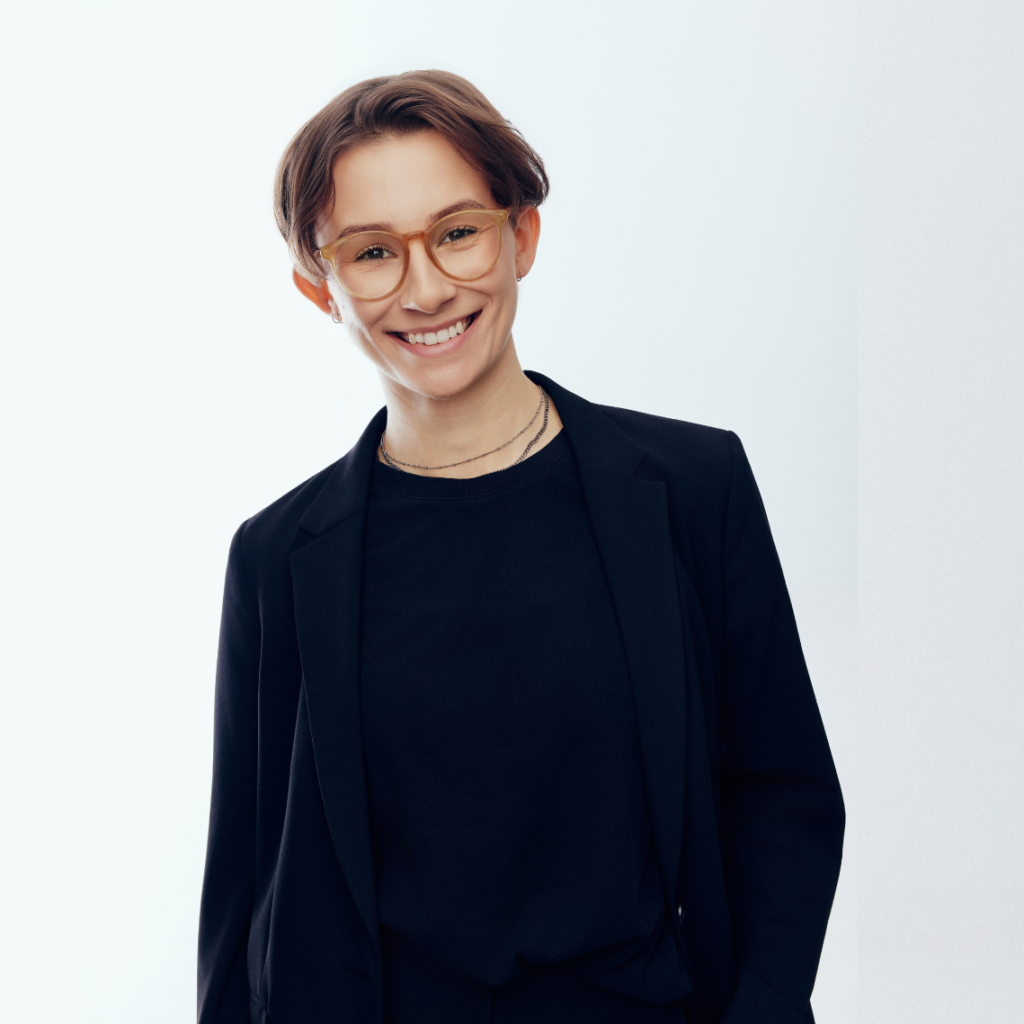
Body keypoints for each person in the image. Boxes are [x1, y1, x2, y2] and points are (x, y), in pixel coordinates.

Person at [197, 70, 844, 1024]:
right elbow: (244, 892)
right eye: (372, 252)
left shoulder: (693, 488)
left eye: (457, 232)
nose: (426, 288)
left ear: (522, 235)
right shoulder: (276, 559)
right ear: (318, 288)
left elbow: (785, 794)